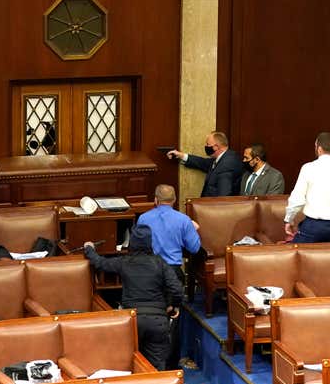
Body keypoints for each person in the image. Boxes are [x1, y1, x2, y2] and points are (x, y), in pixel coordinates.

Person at [83, 224, 183, 371]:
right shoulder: (160, 263)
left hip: (132, 320)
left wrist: (89, 249)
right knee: (156, 368)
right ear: (150, 242)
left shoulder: (124, 262)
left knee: (128, 363)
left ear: (132, 243)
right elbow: (177, 290)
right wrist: (172, 306)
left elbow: (100, 263)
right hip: (157, 321)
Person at [137, 184, 201, 370]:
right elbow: (195, 248)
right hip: (172, 273)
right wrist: (193, 228)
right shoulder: (183, 220)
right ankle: (172, 366)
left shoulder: (143, 218)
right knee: (173, 319)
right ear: (174, 201)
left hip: (149, 273)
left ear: (155, 200)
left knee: (150, 313)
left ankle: (146, 363)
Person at [167, 131, 244, 197]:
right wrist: (181, 155)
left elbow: (224, 195)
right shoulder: (224, 157)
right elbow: (202, 162)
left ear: (216, 147)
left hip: (215, 209)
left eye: (207, 144)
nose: (206, 147)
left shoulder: (227, 163)